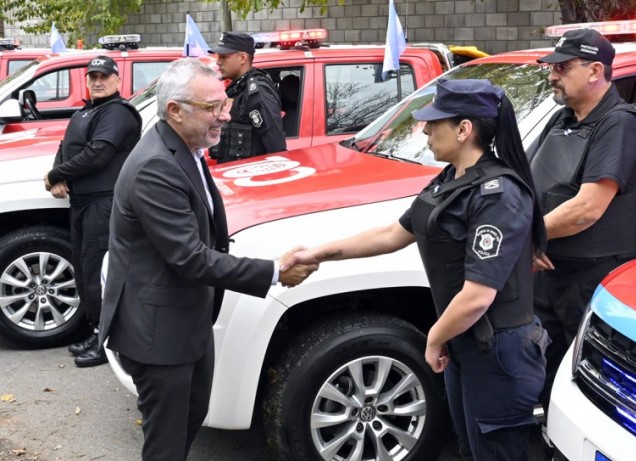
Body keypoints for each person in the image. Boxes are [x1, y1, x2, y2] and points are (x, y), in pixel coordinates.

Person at [283, 79, 549, 461]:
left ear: (463, 130)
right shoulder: (451, 178)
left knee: (496, 453)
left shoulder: (499, 194)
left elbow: (477, 296)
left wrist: (435, 337)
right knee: (471, 449)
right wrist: (319, 253)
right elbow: (393, 234)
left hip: (498, 352)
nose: (423, 129)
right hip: (466, 341)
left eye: (433, 122)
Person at [98, 58, 317, 461]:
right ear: (175, 111)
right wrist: (273, 271)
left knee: (190, 419)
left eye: (225, 102)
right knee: (167, 445)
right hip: (157, 335)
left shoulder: (185, 147)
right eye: (213, 107)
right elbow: (191, 259)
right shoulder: (155, 167)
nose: (226, 114)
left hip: (184, 321)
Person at [529, 29, 636, 409]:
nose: (552, 75)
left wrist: (525, 238)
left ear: (595, 70)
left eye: (562, 67)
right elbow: (525, 180)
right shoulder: (561, 119)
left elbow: (586, 209)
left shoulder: (620, 125)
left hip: (590, 279)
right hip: (548, 273)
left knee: (586, 383)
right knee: (544, 369)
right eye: (551, 67)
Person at [43, 55, 142, 368]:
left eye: (104, 76)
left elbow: (98, 154)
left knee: (102, 274)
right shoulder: (86, 111)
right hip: (83, 204)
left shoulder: (118, 113)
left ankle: (107, 343)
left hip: (105, 203)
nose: (97, 81)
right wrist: (57, 172)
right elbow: (66, 146)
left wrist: (59, 175)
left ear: (117, 80)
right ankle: (96, 331)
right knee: (86, 271)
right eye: (92, 77)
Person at [208, 31, 285, 163]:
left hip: (252, 177)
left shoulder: (258, 93)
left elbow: (276, 147)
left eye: (224, 57)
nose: (218, 62)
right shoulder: (237, 87)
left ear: (243, 58)